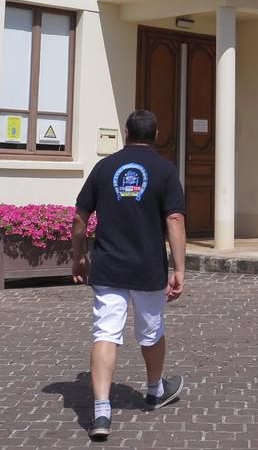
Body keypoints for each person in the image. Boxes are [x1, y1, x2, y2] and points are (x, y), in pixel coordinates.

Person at [72, 109, 187, 440]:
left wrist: (79, 257)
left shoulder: (105, 168)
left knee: (105, 333)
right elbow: (175, 220)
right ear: (156, 133)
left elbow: (80, 218)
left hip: (108, 265)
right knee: (151, 333)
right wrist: (179, 268)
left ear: (126, 132)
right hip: (148, 267)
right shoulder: (165, 170)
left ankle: (102, 411)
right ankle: (154, 390)